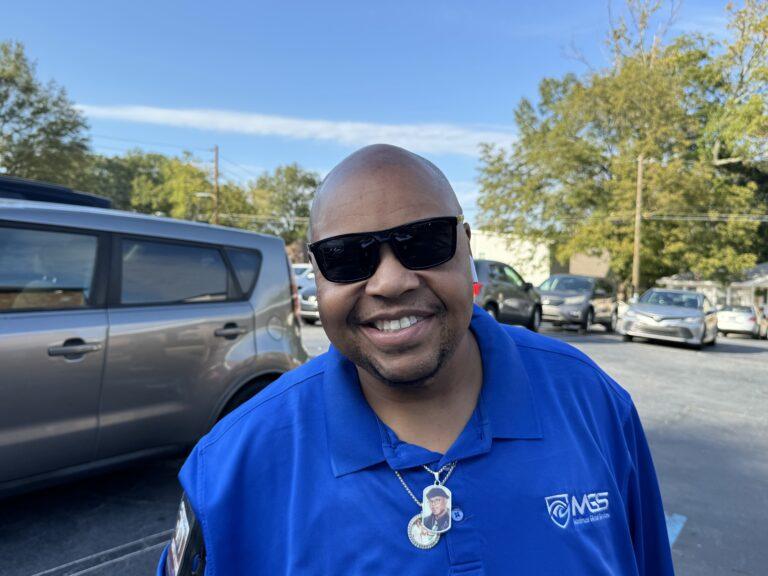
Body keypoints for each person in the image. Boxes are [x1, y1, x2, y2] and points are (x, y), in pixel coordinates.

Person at [158, 144, 675, 575]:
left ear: (466, 246)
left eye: (423, 242)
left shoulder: (591, 402)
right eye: (347, 256)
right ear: (315, 274)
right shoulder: (230, 467)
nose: (390, 281)